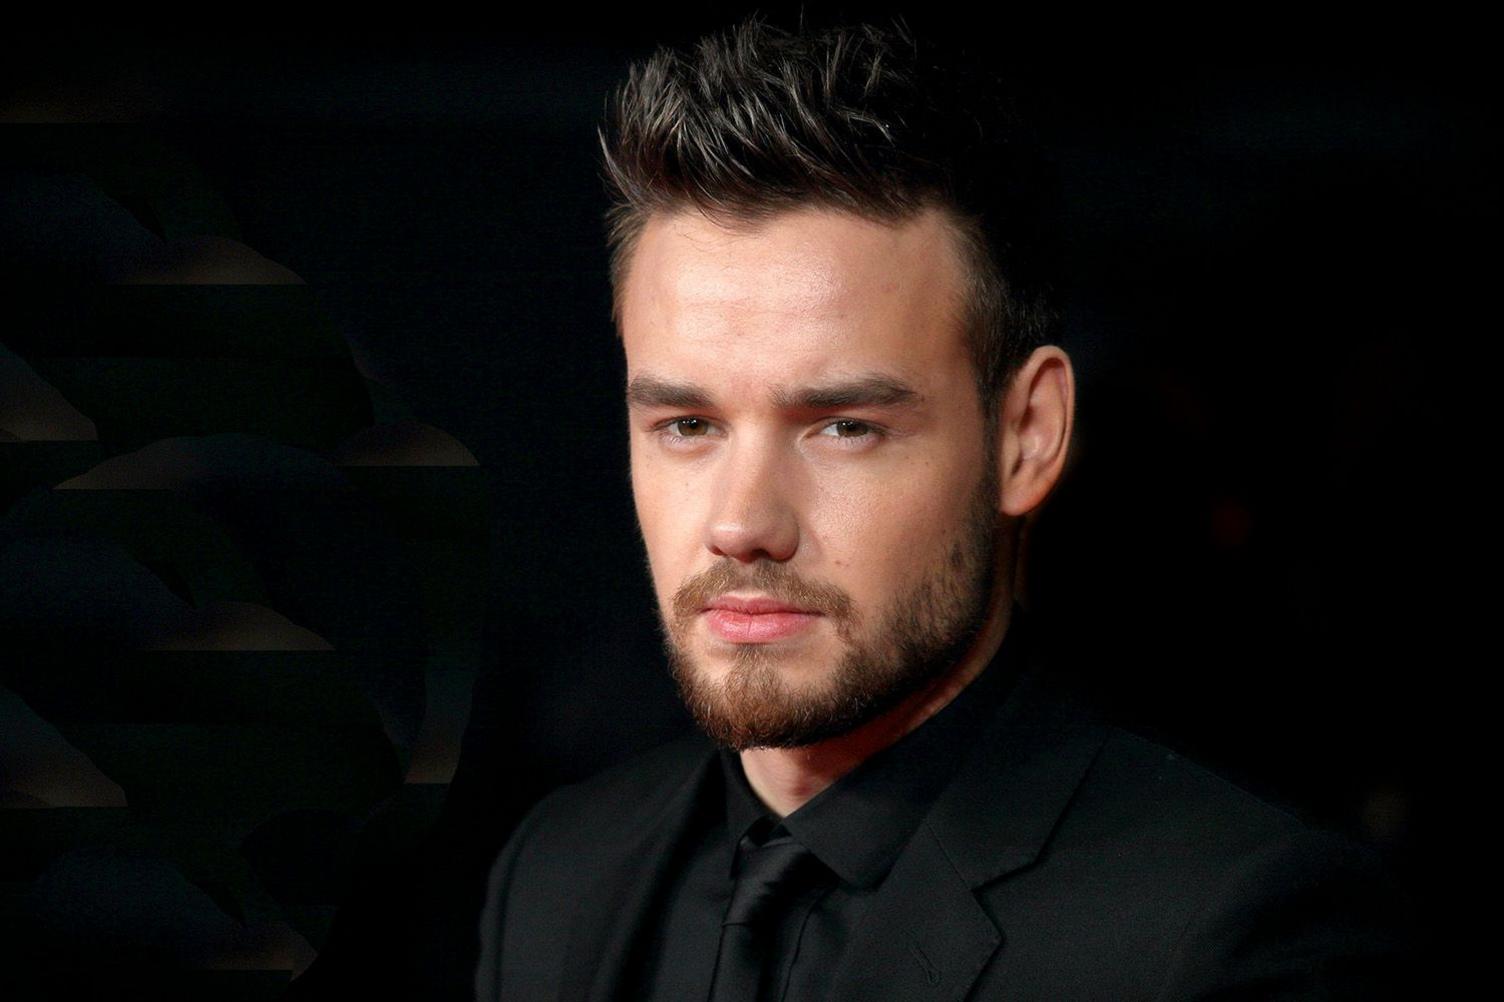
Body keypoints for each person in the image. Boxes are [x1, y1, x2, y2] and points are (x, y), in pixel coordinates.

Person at [475, 15, 1412, 1001]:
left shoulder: (1225, 935)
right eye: (687, 425)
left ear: (1026, 436)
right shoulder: (556, 875)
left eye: (844, 427)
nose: (742, 521)